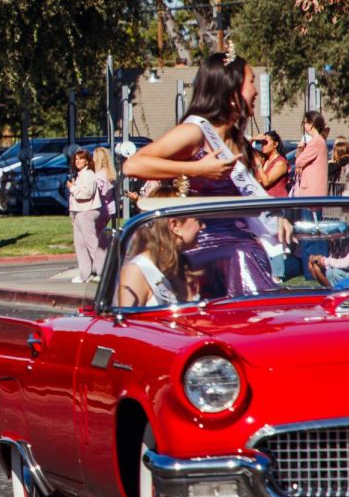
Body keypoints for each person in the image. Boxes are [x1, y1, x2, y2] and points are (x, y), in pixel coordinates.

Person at [123, 49, 282, 297]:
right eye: (251, 82)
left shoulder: (238, 142)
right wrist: (197, 169)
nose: (256, 91)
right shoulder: (195, 132)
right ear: (230, 93)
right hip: (205, 247)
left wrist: (279, 221)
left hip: (242, 244)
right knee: (244, 259)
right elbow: (133, 165)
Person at [117, 215, 203, 307]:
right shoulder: (136, 270)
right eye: (199, 221)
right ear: (175, 226)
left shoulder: (182, 263)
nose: (203, 227)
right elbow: (129, 319)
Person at [67, 149, 102, 283]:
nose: (78, 161)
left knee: (91, 243)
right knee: (80, 245)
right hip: (79, 213)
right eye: (76, 159)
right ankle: (85, 274)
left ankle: (102, 271)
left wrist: (72, 188)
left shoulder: (89, 174)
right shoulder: (80, 175)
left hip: (87, 212)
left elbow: (87, 194)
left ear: (87, 160)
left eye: (81, 159)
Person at [293, 111, 328, 197]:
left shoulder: (315, 142)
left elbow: (299, 161)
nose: (304, 125)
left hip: (311, 191)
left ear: (311, 124)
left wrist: (301, 150)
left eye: (304, 122)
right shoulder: (319, 141)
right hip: (315, 190)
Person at [92, 145, 116, 253]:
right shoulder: (110, 174)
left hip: (100, 208)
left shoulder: (98, 176)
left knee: (96, 237)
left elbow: (94, 192)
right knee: (101, 233)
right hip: (110, 207)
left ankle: (101, 258)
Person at [251, 130, 289, 197]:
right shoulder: (264, 160)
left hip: (276, 202)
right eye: (262, 143)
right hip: (263, 201)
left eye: (266, 142)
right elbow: (244, 149)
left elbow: (266, 182)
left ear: (275, 144)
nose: (263, 145)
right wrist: (253, 139)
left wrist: (258, 165)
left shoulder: (280, 163)